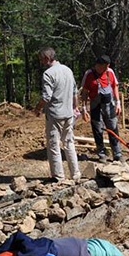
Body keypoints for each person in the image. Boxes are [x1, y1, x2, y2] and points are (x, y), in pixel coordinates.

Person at [33, 47, 81, 182]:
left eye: (42, 60)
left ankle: (58, 177)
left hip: (55, 115)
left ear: (47, 59)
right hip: (68, 114)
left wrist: (37, 108)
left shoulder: (48, 74)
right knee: (69, 143)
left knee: (53, 145)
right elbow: (74, 92)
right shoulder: (68, 70)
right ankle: (76, 174)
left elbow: (46, 97)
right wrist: (74, 108)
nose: (41, 63)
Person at [79, 55, 123, 162]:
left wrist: (118, 103)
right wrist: (84, 108)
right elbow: (84, 92)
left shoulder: (110, 72)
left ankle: (117, 153)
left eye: (102, 66)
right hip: (95, 106)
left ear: (107, 66)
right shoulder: (89, 74)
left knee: (113, 128)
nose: (99, 68)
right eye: (98, 66)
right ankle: (101, 153)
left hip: (109, 106)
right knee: (98, 129)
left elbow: (115, 87)